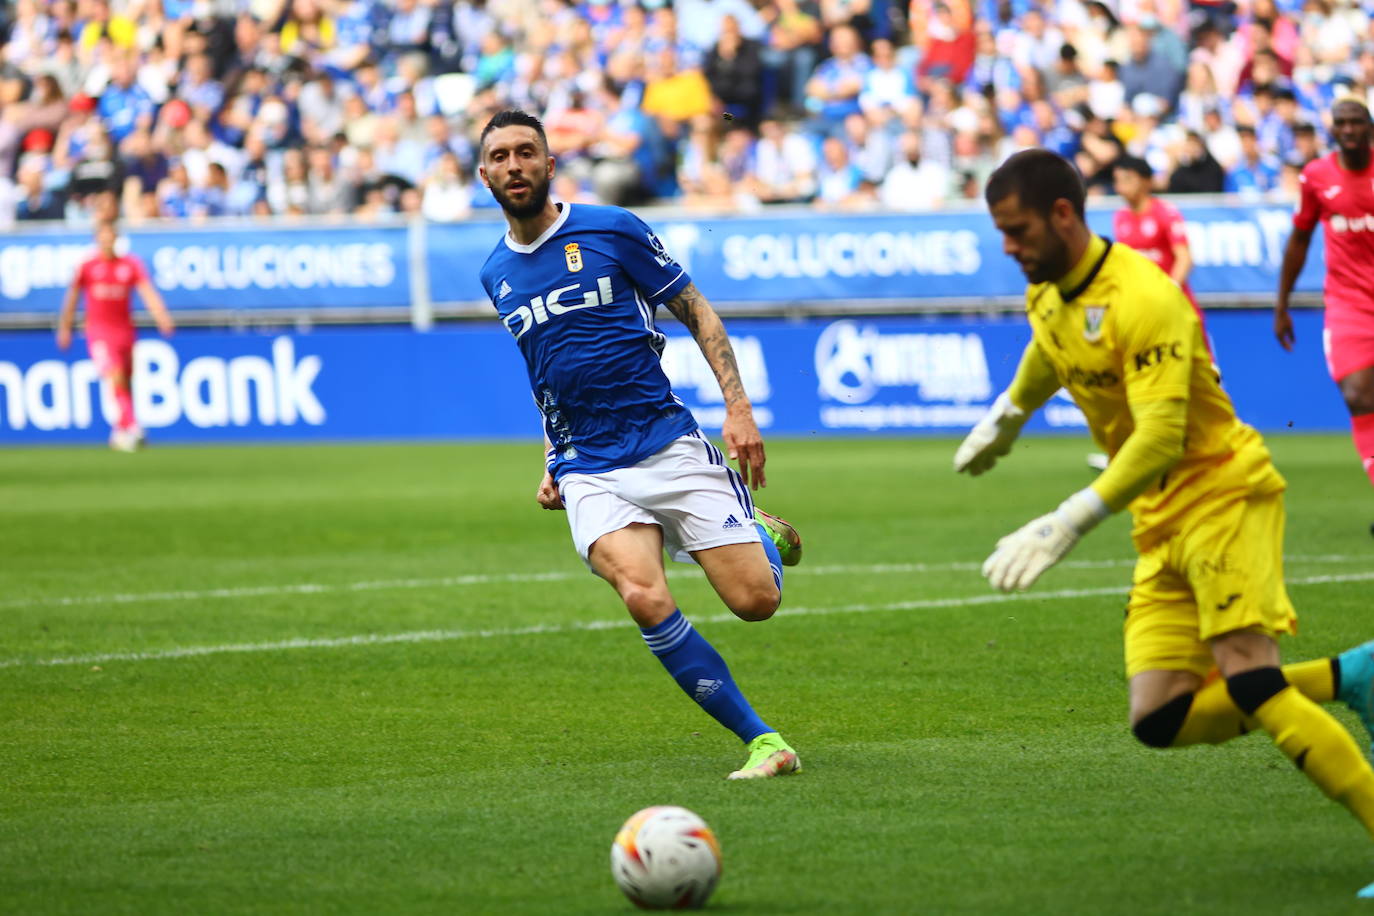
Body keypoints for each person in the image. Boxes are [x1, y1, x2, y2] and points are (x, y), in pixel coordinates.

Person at [957, 148, 1374, 898]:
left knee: (1251, 683)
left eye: (1017, 232)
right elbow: (1050, 351)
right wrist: (1008, 415)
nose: (1009, 249)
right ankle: (1350, 675)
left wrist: (1068, 520)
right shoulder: (1048, 290)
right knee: (1160, 716)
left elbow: (1158, 436)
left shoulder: (1146, 297)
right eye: (1001, 235)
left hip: (1222, 495)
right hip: (1160, 514)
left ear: (1063, 214)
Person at [475, 110, 803, 780]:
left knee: (755, 603)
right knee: (644, 595)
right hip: (588, 467)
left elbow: (696, 310)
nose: (515, 166)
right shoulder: (496, 273)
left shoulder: (611, 230)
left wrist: (738, 408)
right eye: (501, 156)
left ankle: (758, 533)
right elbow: (550, 369)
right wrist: (550, 457)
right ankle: (764, 741)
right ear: (484, 174)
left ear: (549, 163)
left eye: (526, 153)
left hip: (666, 442)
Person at [1276, 98, 1374, 522]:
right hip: (1348, 304)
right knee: (1357, 394)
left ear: (1369, 128)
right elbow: (1299, 240)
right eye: (1341, 123)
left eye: (1356, 122)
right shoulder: (1316, 176)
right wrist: (1282, 304)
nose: (1348, 129)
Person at [56, 219, 174, 452]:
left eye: (111, 236)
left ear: (116, 239)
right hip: (98, 332)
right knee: (115, 374)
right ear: (97, 239)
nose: (108, 240)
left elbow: (146, 290)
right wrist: (65, 327)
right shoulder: (88, 266)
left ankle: (120, 431)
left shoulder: (130, 265)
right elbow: (72, 297)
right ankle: (133, 426)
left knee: (125, 381)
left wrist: (161, 316)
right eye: (104, 236)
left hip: (125, 331)